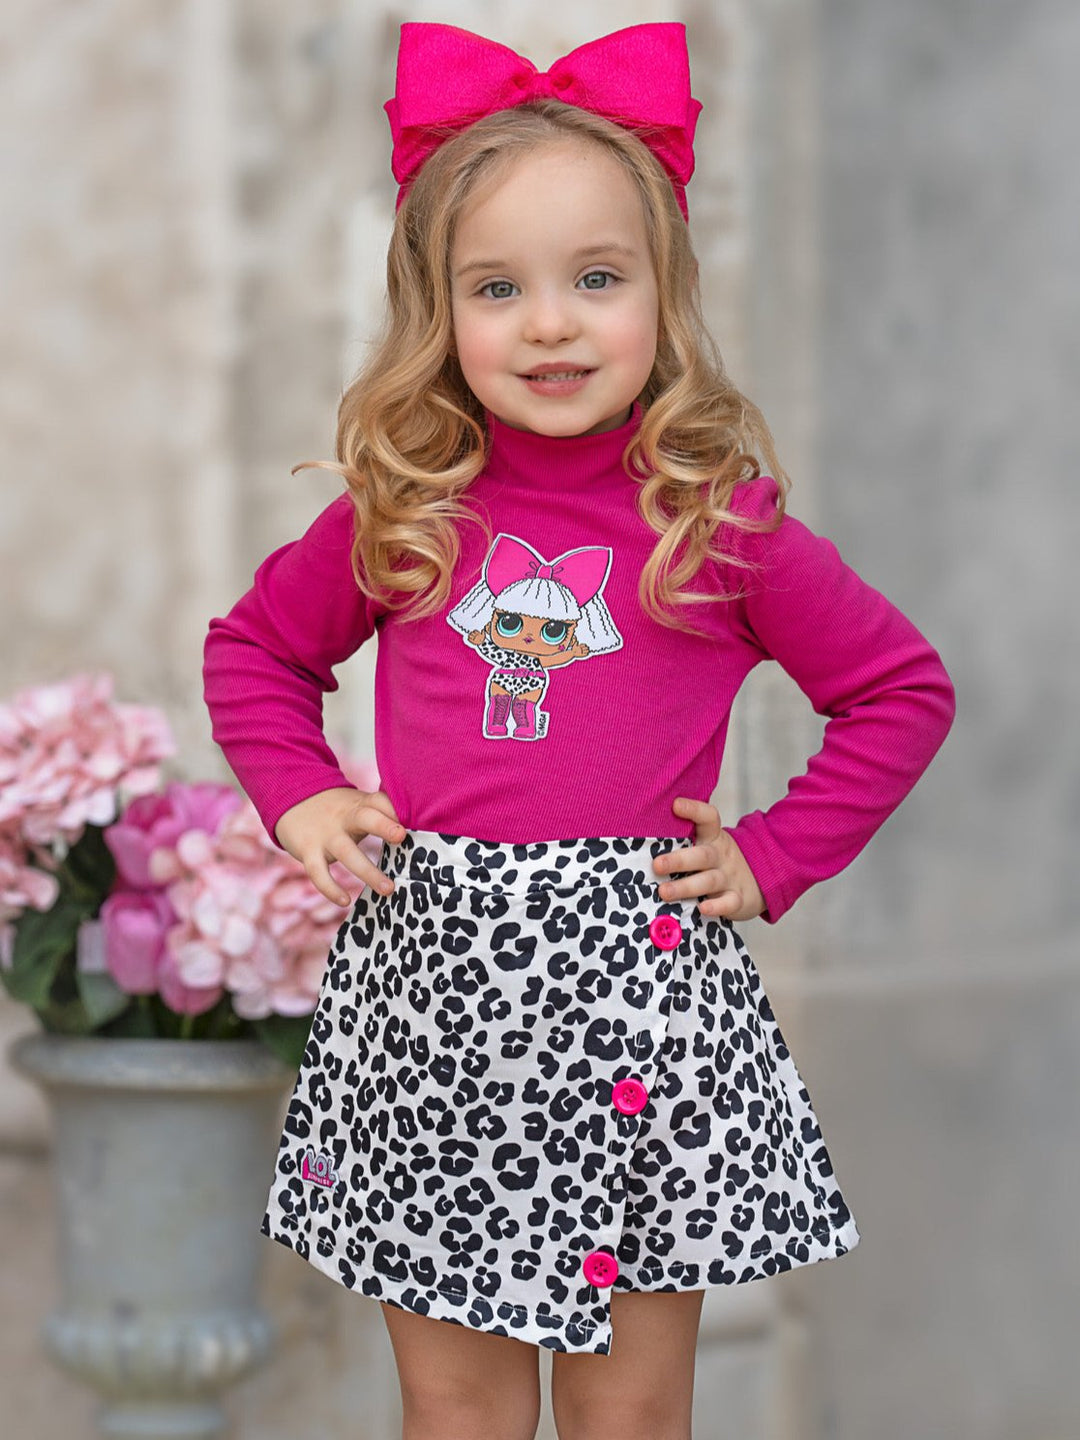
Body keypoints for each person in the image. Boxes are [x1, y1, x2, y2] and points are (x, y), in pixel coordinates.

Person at [202, 21, 956, 1440]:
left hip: (643, 1018)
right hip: (437, 1017)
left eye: (596, 279)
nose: (550, 324)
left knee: (632, 1413)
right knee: (459, 1412)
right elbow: (254, 651)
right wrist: (300, 793)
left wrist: (774, 854)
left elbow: (901, 690)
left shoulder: (718, 524)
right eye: (499, 288)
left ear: (667, 290)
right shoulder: (406, 513)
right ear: (438, 312)